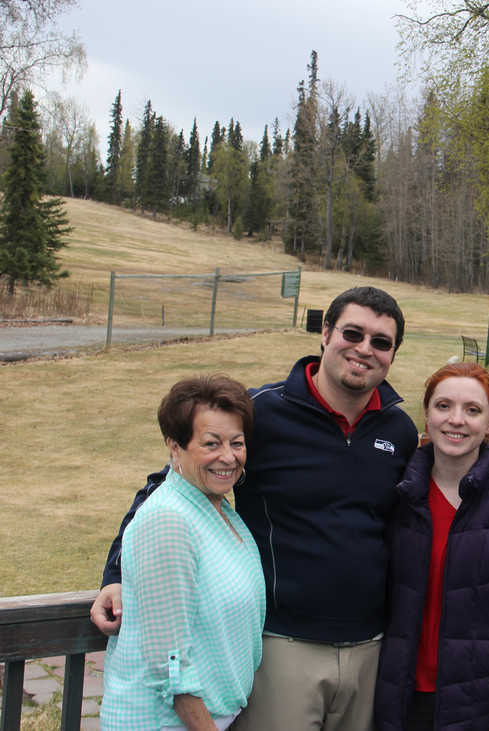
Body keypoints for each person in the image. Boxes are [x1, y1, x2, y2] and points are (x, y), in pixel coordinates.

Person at [92, 287, 419, 731]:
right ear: (325, 333)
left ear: (393, 354)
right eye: (353, 333)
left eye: (381, 342)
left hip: (369, 648)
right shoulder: (263, 414)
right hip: (283, 647)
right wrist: (115, 575)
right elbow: (166, 484)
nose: (364, 349)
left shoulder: (398, 429)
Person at [374, 363, 489, 731]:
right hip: (400, 698)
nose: (456, 420)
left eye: (472, 410)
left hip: (480, 706)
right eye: (443, 406)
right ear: (426, 415)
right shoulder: (399, 496)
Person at [100, 375, 265, 730]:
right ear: (175, 447)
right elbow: (169, 665)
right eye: (211, 443)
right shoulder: (168, 522)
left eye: (237, 443)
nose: (228, 457)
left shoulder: (214, 508)